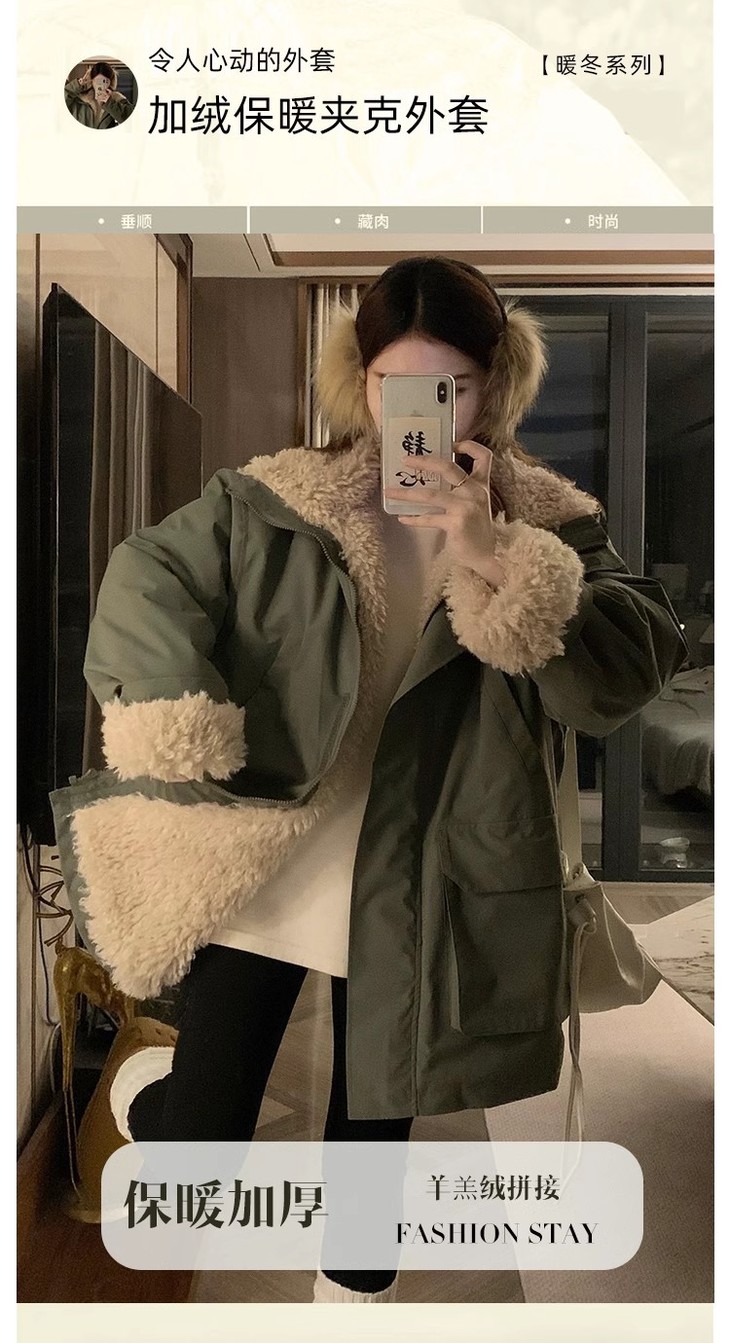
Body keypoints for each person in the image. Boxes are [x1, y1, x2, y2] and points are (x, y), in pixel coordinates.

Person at [55, 257, 687, 1302]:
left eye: (452, 387)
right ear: (362, 382)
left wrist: (494, 550)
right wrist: (176, 707)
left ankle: (352, 1298)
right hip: (272, 862)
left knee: (369, 1168)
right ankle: (161, 1099)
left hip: (423, 877)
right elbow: (142, 573)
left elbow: (622, 673)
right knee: (199, 1148)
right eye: (399, 385)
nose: (421, 414)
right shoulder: (273, 497)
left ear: (495, 385)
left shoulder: (552, 522)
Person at [64, 62, 133, 129]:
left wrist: (110, 103)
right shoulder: (79, 98)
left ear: (110, 82)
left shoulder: (116, 99)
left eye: (105, 81)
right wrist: (78, 85)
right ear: (92, 81)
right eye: (98, 81)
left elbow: (132, 119)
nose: (101, 85)